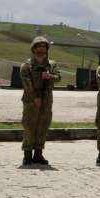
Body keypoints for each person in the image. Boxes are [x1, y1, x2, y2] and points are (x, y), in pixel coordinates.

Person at [19, 36, 61, 166]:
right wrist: (35, 97)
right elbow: (27, 83)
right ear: (34, 48)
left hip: (47, 100)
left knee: (43, 125)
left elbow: (59, 77)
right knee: (29, 126)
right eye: (39, 46)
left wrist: (50, 76)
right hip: (31, 100)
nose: (41, 48)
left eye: (44, 46)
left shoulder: (51, 65)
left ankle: (38, 153)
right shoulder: (26, 66)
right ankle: (27, 155)